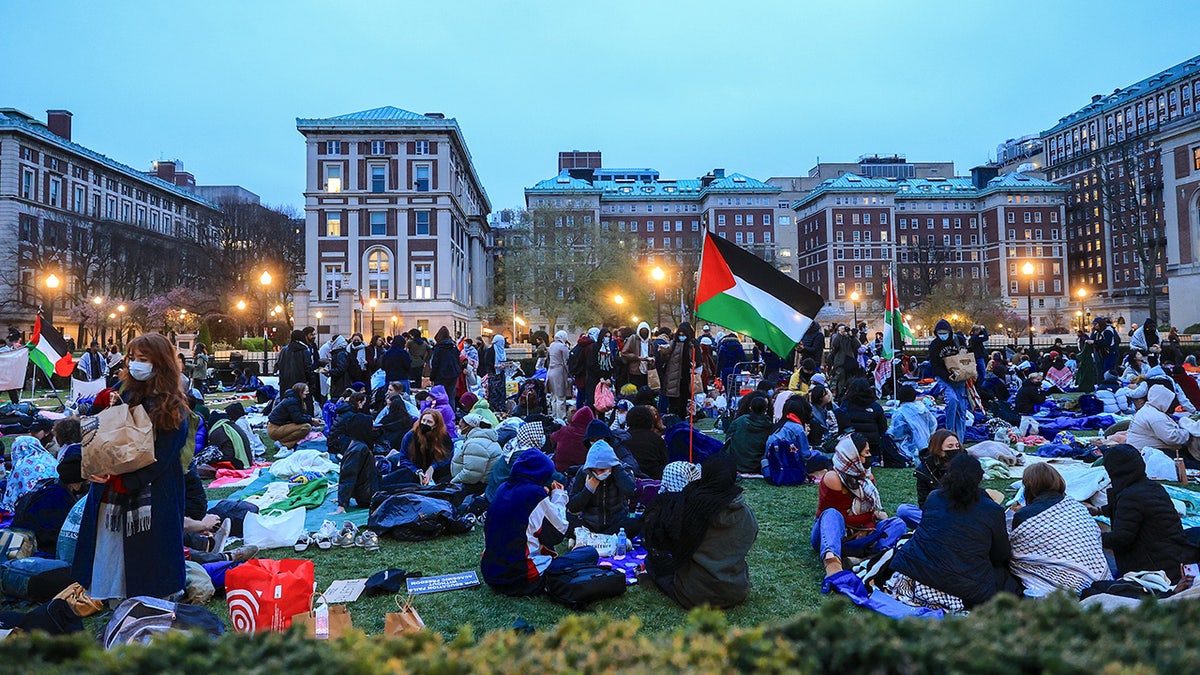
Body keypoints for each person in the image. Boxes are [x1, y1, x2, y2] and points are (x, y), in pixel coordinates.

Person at [73, 333, 190, 602]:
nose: (136, 364)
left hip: (151, 496)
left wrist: (128, 480)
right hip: (109, 495)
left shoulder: (172, 404)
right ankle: (119, 609)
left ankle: (150, 612)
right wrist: (96, 464)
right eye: (132, 358)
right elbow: (99, 431)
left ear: (159, 362)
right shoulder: (122, 390)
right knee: (110, 556)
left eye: (143, 359)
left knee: (150, 565)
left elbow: (165, 455)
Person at [889, 454, 1020, 610]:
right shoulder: (992, 510)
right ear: (979, 478)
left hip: (918, 570)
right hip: (962, 583)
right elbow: (1000, 555)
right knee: (1009, 582)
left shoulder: (934, 497)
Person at [643, 453, 758, 609]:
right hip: (736, 591)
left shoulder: (691, 507)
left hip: (694, 596)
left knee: (651, 563)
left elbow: (670, 544)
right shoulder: (745, 513)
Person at [811, 434, 906, 577]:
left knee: (897, 523)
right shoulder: (833, 478)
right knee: (831, 514)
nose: (870, 456)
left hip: (862, 535)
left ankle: (868, 559)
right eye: (866, 453)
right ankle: (833, 562)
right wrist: (869, 520)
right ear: (853, 456)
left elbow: (866, 512)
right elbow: (841, 517)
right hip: (835, 535)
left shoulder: (866, 477)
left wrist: (869, 521)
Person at [1008, 463, 1110, 596]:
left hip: (1060, 582)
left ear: (1029, 486)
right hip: (1094, 574)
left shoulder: (1025, 514)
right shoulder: (1076, 506)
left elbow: (1017, 551)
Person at [1100, 444, 1197, 582]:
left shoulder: (1130, 496)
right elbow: (1131, 512)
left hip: (1153, 568)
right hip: (1174, 557)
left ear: (1115, 471)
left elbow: (1121, 538)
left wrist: (1093, 537)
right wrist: (1099, 511)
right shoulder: (1152, 487)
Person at [481, 448, 569, 596]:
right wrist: (559, 497)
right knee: (587, 554)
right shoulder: (535, 494)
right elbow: (558, 533)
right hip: (522, 579)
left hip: (491, 575)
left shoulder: (503, 488)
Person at [566, 440, 638, 535]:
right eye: (594, 470)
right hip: (589, 525)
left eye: (602, 470)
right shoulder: (583, 473)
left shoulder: (622, 470)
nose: (598, 474)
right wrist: (589, 489)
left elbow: (630, 490)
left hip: (616, 525)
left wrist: (617, 471)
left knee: (636, 523)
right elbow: (573, 507)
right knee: (564, 519)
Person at [836, 378, 902, 467]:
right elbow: (883, 428)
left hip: (851, 444)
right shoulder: (875, 406)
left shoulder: (845, 405)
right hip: (872, 446)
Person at [765, 395, 833, 477]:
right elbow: (805, 455)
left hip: (773, 463)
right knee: (823, 460)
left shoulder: (778, 425)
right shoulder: (798, 428)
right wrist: (816, 452)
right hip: (789, 464)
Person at [927, 319, 970, 441]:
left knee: (961, 409)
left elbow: (966, 357)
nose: (943, 335)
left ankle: (959, 440)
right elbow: (935, 365)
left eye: (944, 332)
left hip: (960, 378)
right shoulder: (934, 345)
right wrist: (947, 376)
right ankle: (949, 433)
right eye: (940, 333)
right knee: (952, 401)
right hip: (945, 378)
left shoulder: (958, 340)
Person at [332, 413, 379, 515]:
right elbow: (348, 476)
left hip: (369, 488)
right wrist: (342, 503)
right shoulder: (359, 449)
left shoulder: (356, 444)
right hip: (369, 495)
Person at [391, 409, 453, 486]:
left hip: (437, 471)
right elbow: (403, 458)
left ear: (435, 425)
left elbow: (447, 457)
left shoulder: (444, 437)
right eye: (423, 420)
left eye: (429, 422)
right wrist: (417, 471)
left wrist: (433, 467)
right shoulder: (411, 435)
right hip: (414, 469)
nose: (424, 423)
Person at [1125, 384, 1190, 456]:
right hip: (1147, 454)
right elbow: (1172, 439)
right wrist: (1188, 431)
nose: (1174, 405)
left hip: (1141, 450)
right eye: (1170, 401)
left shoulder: (1149, 409)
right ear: (1163, 401)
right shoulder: (1155, 416)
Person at [1, 436, 58, 511]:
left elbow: (12, 494)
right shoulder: (50, 458)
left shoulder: (21, 466)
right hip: (57, 499)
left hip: (32, 506)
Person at [723, 395, 774, 474]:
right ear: (766, 409)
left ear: (750, 408)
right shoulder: (769, 425)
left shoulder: (740, 421)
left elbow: (728, 439)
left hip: (737, 463)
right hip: (758, 465)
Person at [451, 413, 503, 490]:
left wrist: (452, 483)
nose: (459, 429)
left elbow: (471, 474)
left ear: (469, 427)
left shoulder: (476, 444)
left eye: (461, 427)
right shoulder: (482, 439)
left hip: (476, 486)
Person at [887, 385, 937, 464]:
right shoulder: (922, 408)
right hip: (926, 445)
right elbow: (933, 424)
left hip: (909, 447)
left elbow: (897, 433)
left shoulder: (900, 412)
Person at [660, 323, 699, 419]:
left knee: (684, 400)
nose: (682, 337)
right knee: (674, 401)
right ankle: (674, 418)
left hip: (685, 377)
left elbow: (697, 359)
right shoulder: (673, 344)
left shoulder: (691, 345)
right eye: (680, 335)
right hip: (674, 376)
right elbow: (665, 358)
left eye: (684, 335)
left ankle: (681, 417)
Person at [267, 383, 319, 451]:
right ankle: (284, 443)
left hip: (278, 426)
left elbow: (299, 415)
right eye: (306, 391)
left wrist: (311, 419)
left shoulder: (294, 400)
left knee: (306, 426)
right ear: (300, 391)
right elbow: (297, 419)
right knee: (306, 427)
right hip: (275, 429)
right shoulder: (292, 401)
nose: (307, 393)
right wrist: (311, 420)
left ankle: (284, 443)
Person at [623, 405, 669, 480]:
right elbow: (664, 461)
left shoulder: (623, 438)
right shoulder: (656, 439)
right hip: (653, 479)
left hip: (628, 478)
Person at [551, 405, 595, 473]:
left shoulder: (564, 430)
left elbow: (552, 438)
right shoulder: (592, 436)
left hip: (561, 470)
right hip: (583, 472)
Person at [276, 330, 316, 395]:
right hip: (300, 384)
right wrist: (312, 383)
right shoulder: (304, 351)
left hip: (285, 383)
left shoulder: (284, 350)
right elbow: (308, 368)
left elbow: (278, 365)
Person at [478, 333, 507, 413]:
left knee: (501, 392)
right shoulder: (490, 351)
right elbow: (487, 362)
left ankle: (501, 408)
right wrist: (495, 366)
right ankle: (494, 408)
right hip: (494, 375)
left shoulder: (502, 351)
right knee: (494, 392)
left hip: (501, 374)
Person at [621, 322, 655, 390]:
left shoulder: (649, 342)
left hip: (647, 370)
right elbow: (624, 353)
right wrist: (637, 358)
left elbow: (652, 354)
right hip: (635, 370)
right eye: (642, 330)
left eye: (646, 330)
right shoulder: (633, 339)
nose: (644, 332)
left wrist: (652, 359)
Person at [547, 331, 572, 418]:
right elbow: (566, 361)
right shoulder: (563, 347)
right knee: (561, 396)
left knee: (553, 396)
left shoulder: (552, 345)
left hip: (550, 371)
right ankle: (561, 416)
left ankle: (554, 415)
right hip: (559, 372)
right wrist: (570, 374)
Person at [1014, 371, 1047, 437]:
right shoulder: (1031, 389)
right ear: (1032, 379)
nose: (1039, 381)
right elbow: (1039, 400)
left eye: (1040, 380)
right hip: (1026, 410)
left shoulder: (1025, 386)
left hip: (1020, 408)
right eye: (1037, 379)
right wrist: (1043, 392)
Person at [808, 383, 838, 448]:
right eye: (826, 394)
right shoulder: (811, 410)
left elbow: (840, 413)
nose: (829, 395)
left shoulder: (830, 405)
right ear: (820, 398)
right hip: (819, 440)